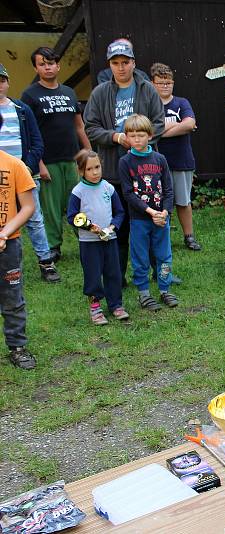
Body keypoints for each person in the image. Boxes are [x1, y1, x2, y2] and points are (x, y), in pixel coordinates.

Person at [83, 39, 164, 284]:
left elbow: (159, 123)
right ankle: (117, 275)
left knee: (150, 222)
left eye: (125, 62)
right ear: (110, 65)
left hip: (144, 170)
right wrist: (116, 137)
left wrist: (141, 141)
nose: (121, 67)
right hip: (113, 170)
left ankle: (159, 271)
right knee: (118, 225)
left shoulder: (148, 89)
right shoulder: (99, 93)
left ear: (133, 63)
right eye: (116, 63)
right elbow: (91, 128)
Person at [22, 47, 91, 262]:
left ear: (58, 65)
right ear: (36, 67)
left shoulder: (69, 93)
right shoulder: (30, 95)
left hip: (72, 159)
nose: (47, 67)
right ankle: (54, 246)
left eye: (51, 63)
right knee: (51, 208)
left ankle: (85, 239)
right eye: (42, 64)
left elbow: (79, 126)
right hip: (48, 160)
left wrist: (88, 153)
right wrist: (39, 164)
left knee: (78, 202)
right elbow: (30, 133)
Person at [0, 63, 60, 283]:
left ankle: (46, 262)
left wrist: (27, 166)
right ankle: (8, 264)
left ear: (7, 82)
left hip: (24, 172)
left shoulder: (21, 109)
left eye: (2, 80)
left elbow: (37, 142)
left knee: (34, 219)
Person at [117, 114, 177, 311]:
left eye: (141, 135)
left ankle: (165, 289)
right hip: (140, 220)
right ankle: (144, 294)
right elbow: (127, 193)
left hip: (162, 219)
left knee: (164, 255)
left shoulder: (160, 159)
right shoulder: (125, 162)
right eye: (132, 135)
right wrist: (150, 211)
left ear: (150, 136)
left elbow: (168, 188)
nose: (137, 139)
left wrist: (166, 212)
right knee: (140, 257)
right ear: (127, 137)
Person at [67, 149, 128, 325]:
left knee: (113, 272)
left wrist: (111, 227)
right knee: (93, 274)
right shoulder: (78, 192)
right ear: (81, 171)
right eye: (89, 169)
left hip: (110, 239)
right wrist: (89, 227)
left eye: (97, 167)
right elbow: (72, 217)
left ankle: (116, 305)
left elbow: (119, 212)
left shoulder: (108, 188)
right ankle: (95, 308)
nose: (95, 172)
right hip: (89, 242)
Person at [150, 62, 201, 251]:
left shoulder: (181, 102)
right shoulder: (149, 105)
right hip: (155, 162)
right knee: (159, 201)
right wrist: (177, 126)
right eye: (161, 83)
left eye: (169, 83)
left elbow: (190, 124)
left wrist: (159, 131)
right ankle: (161, 238)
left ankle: (189, 236)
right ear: (152, 83)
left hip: (182, 160)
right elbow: (145, 129)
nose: (165, 86)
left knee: (183, 201)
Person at [0, 150, 37, 369]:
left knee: (12, 297)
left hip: (9, 244)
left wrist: (4, 234)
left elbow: (28, 206)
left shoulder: (14, 165)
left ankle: (17, 347)